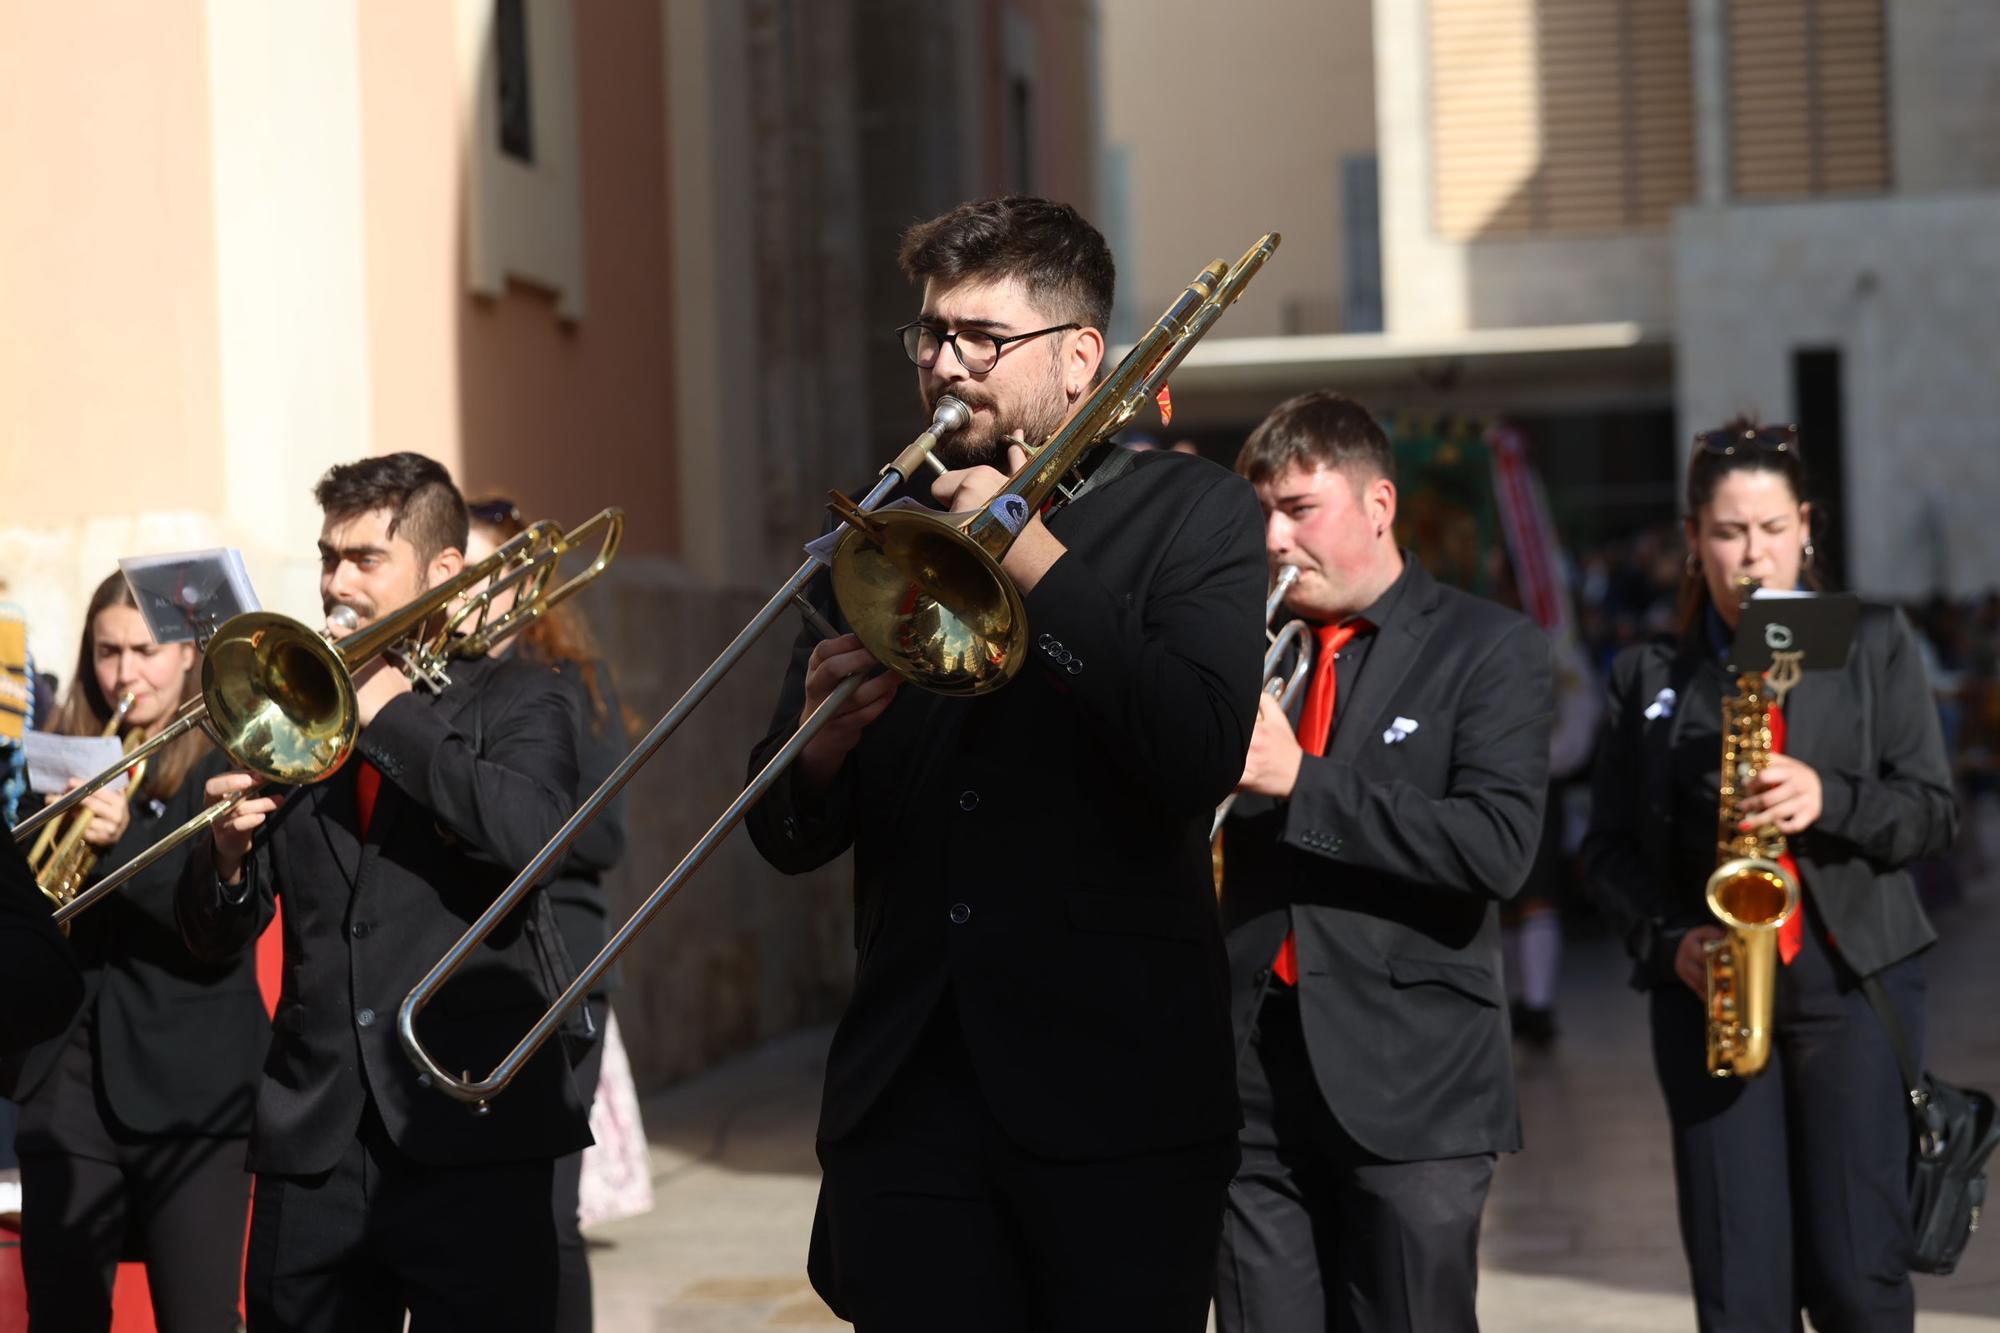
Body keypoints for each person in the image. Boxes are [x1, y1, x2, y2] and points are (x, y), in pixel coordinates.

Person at [745, 194, 1268, 1332]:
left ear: (1078, 356)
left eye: (980, 338)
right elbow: (782, 834)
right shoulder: (878, 534)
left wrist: (1031, 554)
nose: (944, 364)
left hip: (1115, 1110)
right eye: (929, 335)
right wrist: (814, 752)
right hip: (911, 1105)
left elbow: (1195, 750)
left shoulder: (1198, 514)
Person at [175, 452, 592, 1330]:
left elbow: (536, 841)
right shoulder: (293, 708)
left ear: (444, 573)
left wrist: (391, 712)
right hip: (315, 1144)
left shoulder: (523, 699)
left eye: (366, 559)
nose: (337, 582)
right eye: (329, 557)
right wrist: (224, 862)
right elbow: (215, 942)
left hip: (472, 1128)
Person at [1583, 422, 1956, 1333]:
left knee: (1858, 1278)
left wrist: (1828, 795)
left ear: (1807, 528)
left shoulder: (1873, 639)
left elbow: (1932, 812)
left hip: (1850, 984)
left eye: (1773, 528)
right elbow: (1606, 848)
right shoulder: (1650, 672)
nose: (1754, 553)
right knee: (1739, 1289)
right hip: (1713, 992)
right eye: (1728, 532)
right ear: (1692, 538)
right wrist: (1670, 943)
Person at [1213, 390, 1553, 1333]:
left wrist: (1301, 781)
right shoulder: (1241, 650)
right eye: (1263, 515)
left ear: (1378, 505)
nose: (1275, 540)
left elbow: (1497, 846)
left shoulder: (1486, 649)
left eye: (1299, 509)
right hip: (1249, 1077)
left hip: (1417, 1087)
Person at [2, 570, 261, 1331]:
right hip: (65, 1087)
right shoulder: (63, 756)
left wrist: (118, 846)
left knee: (200, 1318)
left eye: (145, 650)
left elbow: (220, 929)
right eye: (108, 651)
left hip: (191, 1089)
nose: (124, 672)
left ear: (187, 653)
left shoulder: (226, 757)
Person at [465, 494, 639, 1333]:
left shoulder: (572, 682)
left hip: (555, 966)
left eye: (479, 570)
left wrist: (491, 813)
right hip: (467, 971)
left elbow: (604, 830)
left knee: (549, 1209)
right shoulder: (437, 682)